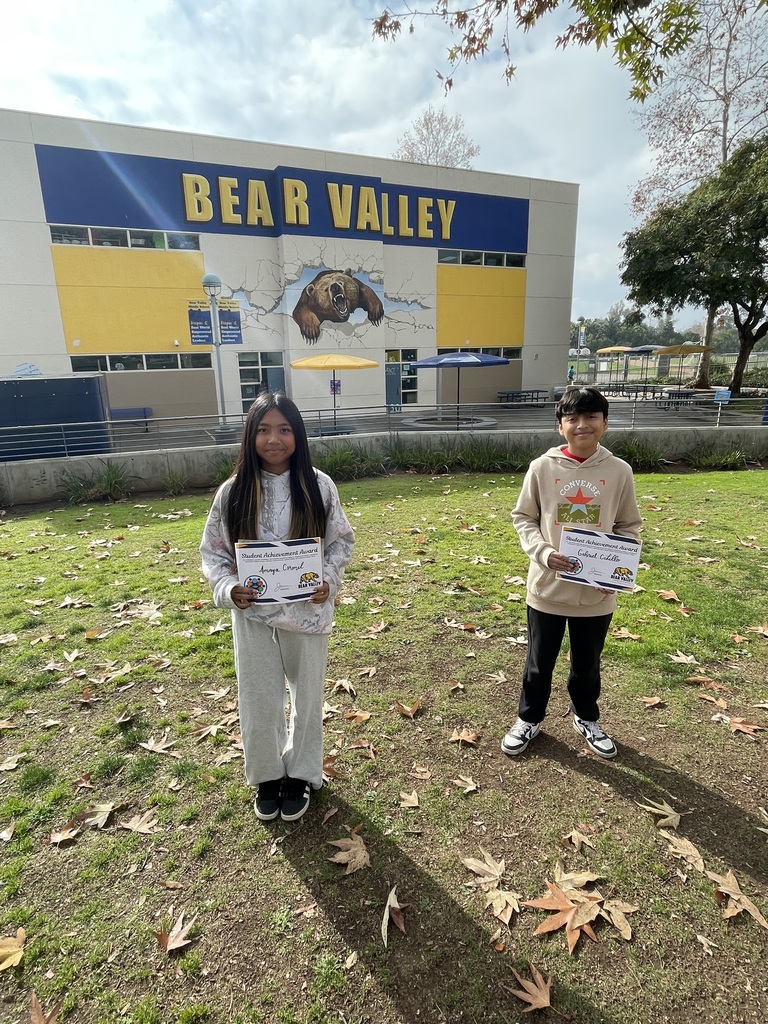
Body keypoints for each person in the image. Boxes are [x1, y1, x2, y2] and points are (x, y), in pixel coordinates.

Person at [200, 393, 355, 823]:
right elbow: (213, 554)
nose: (274, 439)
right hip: (252, 617)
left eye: (284, 429)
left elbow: (341, 540)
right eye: (264, 429)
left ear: (297, 435)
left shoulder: (318, 485)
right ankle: (267, 775)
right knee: (258, 698)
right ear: (251, 435)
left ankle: (302, 773)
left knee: (307, 699)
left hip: (308, 613)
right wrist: (229, 588)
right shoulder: (232, 492)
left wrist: (328, 579)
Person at [501, 387, 641, 760]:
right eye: (573, 419)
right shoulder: (542, 468)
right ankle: (528, 718)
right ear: (560, 426)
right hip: (547, 589)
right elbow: (523, 518)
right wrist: (544, 553)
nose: (583, 425)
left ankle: (586, 717)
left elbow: (629, 525)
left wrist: (615, 565)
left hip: (596, 594)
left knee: (587, 665)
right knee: (538, 662)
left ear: (605, 423)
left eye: (592, 416)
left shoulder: (619, 471)